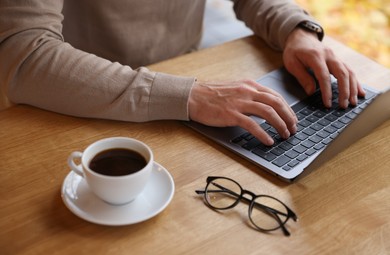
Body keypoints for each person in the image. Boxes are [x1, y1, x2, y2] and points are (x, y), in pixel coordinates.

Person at [0, 0, 365, 146]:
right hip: (77, 98)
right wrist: (188, 96)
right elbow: (23, 52)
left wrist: (295, 28)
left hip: (190, 82)